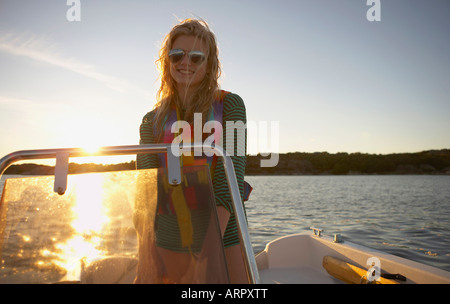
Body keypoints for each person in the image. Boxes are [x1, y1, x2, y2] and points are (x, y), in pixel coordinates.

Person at [134, 18, 249, 283]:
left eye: (197, 57)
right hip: (169, 237)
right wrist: (146, 253)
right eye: (177, 55)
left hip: (224, 238)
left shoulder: (232, 106)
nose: (186, 62)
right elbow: (145, 193)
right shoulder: (150, 121)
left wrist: (206, 258)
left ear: (209, 65)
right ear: (167, 60)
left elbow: (228, 185)